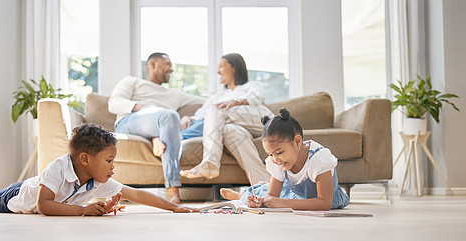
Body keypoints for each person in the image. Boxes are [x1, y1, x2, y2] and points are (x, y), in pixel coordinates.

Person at [0, 123, 198, 215]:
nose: (113, 168)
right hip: (20, 196)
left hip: (33, 191)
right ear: (85, 159)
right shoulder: (58, 167)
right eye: (109, 161)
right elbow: (44, 205)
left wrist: (175, 207)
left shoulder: (99, 179)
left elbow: (135, 193)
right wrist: (83, 210)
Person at [108, 52, 205, 204]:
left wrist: (191, 118)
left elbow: (207, 102)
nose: (171, 70)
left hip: (166, 124)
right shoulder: (132, 82)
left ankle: (160, 138)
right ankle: (172, 187)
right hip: (130, 122)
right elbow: (113, 103)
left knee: (205, 121)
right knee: (169, 116)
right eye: (168, 64)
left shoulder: (174, 94)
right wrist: (143, 107)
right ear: (152, 64)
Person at [219, 108, 349, 210]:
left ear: (298, 142)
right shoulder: (279, 161)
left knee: (282, 196)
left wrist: (282, 203)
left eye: (279, 152)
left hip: (325, 198)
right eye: (270, 154)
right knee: (267, 191)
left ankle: (242, 196)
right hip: (296, 195)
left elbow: (324, 203)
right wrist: (260, 202)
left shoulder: (318, 159)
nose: (275, 159)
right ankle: (243, 197)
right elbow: (272, 195)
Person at [179, 53, 274, 182]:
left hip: (263, 122)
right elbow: (202, 115)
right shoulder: (218, 96)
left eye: (221, 66)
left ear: (234, 68)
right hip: (237, 126)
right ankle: (265, 185)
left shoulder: (251, 86)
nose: (218, 71)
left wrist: (236, 101)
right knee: (229, 130)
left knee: (216, 110)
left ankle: (210, 163)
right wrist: (187, 118)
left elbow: (258, 97)